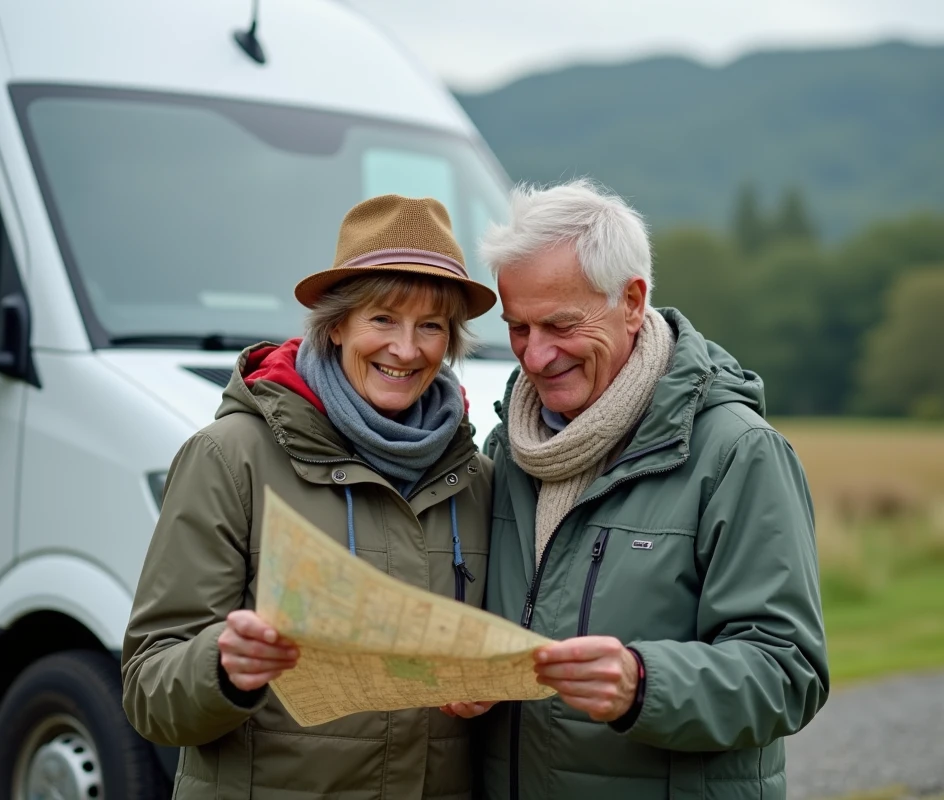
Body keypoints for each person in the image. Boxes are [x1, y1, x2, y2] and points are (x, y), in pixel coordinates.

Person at [448, 180, 829, 800]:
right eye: (518, 327)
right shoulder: (507, 450)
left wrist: (642, 683)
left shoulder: (739, 453)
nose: (535, 357)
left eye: (560, 324)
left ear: (631, 301)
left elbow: (787, 672)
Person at [122, 195, 499, 798]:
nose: (406, 349)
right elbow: (149, 691)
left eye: (430, 326)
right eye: (382, 319)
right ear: (336, 324)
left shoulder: (478, 480)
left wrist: (489, 689)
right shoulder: (229, 458)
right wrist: (224, 669)